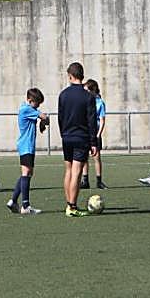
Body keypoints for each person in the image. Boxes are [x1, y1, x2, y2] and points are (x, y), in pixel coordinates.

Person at [57, 61, 98, 217]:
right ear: (82, 75)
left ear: (70, 76)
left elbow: (60, 118)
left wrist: (63, 134)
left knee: (68, 170)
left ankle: (69, 204)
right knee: (77, 172)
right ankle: (72, 206)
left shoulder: (63, 95)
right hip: (81, 137)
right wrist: (93, 142)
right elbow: (91, 121)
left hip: (67, 137)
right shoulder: (88, 97)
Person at [7, 87, 50, 215]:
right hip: (26, 145)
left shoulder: (28, 109)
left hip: (27, 145)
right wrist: (43, 122)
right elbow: (45, 117)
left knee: (28, 173)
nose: (38, 106)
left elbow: (43, 119)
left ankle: (13, 201)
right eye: (37, 103)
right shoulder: (26, 109)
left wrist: (42, 122)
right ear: (30, 100)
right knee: (26, 173)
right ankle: (25, 206)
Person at [81, 79, 107, 190]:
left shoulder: (100, 103)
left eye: (87, 90)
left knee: (96, 157)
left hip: (94, 132)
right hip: (85, 132)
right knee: (84, 157)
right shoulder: (85, 101)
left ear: (92, 90)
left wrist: (98, 134)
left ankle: (99, 181)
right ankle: (85, 180)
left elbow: (102, 120)